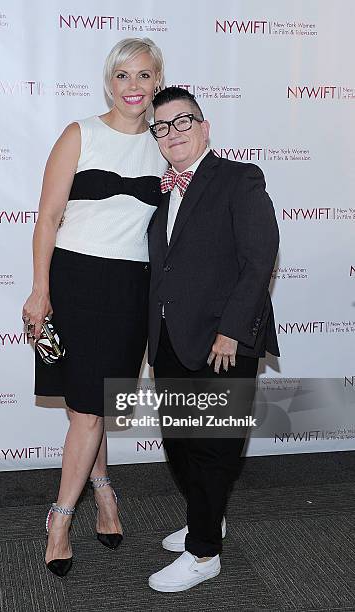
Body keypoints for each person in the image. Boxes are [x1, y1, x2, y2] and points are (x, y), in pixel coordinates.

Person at [22, 38, 166, 577]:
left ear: (158, 83)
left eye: (145, 75)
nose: (134, 86)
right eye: (124, 75)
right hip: (75, 278)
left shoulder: (165, 146)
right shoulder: (80, 134)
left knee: (100, 402)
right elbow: (47, 216)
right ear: (110, 82)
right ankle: (62, 518)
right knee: (85, 408)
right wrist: (41, 290)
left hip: (132, 286)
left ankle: (103, 488)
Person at [146, 86, 280, 592]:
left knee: (214, 449)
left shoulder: (239, 178)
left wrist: (230, 330)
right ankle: (208, 520)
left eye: (183, 122)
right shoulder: (159, 191)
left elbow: (259, 256)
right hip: (170, 340)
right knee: (180, 444)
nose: (173, 133)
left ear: (204, 127)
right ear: (156, 138)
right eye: (162, 127)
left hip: (222, 345)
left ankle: (204, 554)